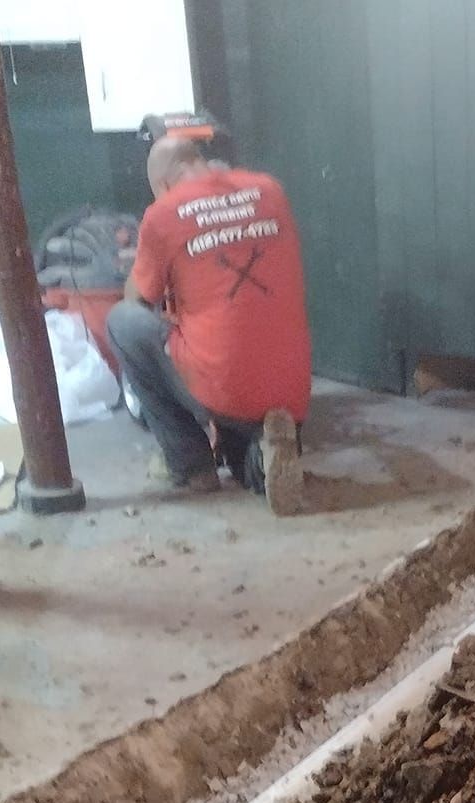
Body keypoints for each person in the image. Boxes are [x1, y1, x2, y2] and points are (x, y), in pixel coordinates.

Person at [107, 132, 309, 516]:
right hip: (291, 391)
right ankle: (267, 456)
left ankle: (191, 466)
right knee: (241, 438)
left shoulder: (164, 213)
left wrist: (148, 260)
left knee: (123, 323)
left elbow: (138, 298)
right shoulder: (270, 190)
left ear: (164, 185)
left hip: (224, 385)